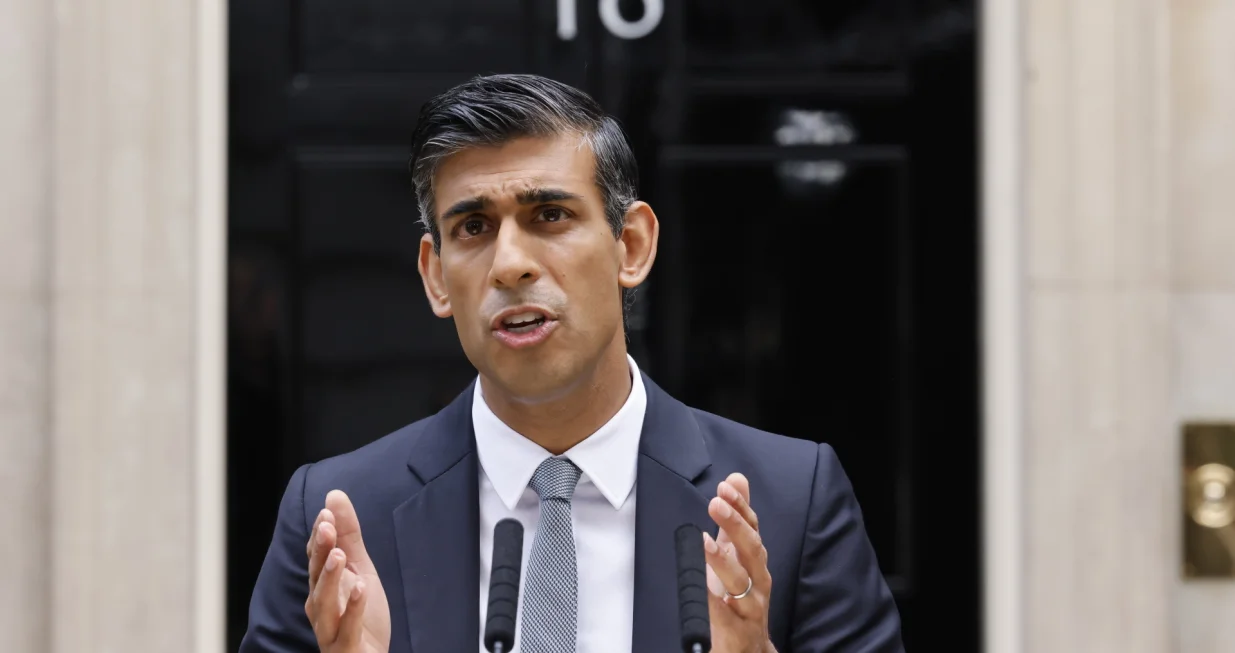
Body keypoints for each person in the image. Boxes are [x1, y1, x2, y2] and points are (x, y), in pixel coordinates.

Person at [239, 74, 904, 653]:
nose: (509, 263)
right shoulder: (336, 520)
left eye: (549, 214)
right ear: (436, 276)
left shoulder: (792, 499)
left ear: (632, 246)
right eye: (473, 228)